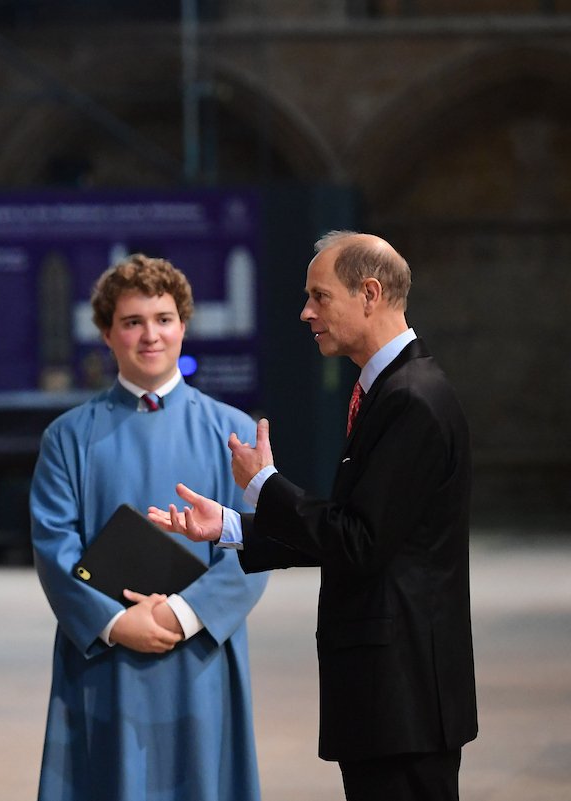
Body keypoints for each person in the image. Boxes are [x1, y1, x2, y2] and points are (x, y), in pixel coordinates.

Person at [150, 231, 477, 801]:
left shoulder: (412, 399)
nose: (306, 312)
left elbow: (358, 541)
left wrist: (266, 485)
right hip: (389, 695)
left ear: (369, 294)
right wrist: (231, 526)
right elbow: (358, 528)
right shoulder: (391, 390)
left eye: (319, 297)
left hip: (404, 697)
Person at [29, 254, 268, 801]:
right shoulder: (68, 437)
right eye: (133, 322)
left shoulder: (231, 432)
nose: (150, 335)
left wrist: (179, 614)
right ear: (107, 333)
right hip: (105, 653)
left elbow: (256, 546)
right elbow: (54, 548)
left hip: (199, 649)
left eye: (163, 319)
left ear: (184, 325)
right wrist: (115, 623)